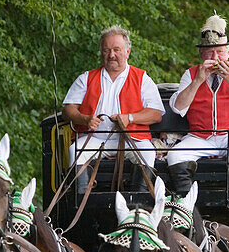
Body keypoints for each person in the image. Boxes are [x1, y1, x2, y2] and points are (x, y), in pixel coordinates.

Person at [167, 14, 229, 203]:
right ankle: (186, 201)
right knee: (175, 155)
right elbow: (178, 108)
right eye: (210, 53)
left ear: (228, 52)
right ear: (201, 54)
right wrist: (198, 81)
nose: (215, 58)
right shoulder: (190, 74)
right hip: (201, 136)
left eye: (219, 52)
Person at [61, 26, 164, 187]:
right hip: (95, 138)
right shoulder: (86, 78)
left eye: (117, 49)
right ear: (101, 52)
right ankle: (81, 204)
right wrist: (85, 118)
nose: (111, 55)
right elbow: (67, 109)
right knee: (75, 151)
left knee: (147, 152)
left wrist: (130, 118)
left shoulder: (142, 78)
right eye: (106, 50)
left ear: (127, 51)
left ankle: (139, 206)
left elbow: (156, 113)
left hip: (133, 139)